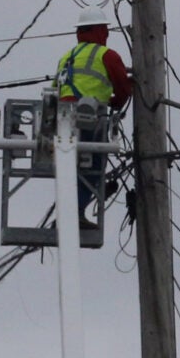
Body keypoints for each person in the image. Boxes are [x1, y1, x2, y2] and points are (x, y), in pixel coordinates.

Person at [53, 16, 132, 218]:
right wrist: (116, 103)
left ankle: (69, 211)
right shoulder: (107, 56)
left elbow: (56, 90)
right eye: (105, 30)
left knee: (70, 167)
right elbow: (123, 89)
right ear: (100, 30)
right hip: (89, 119)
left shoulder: (66, 57)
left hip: (62, 120)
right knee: (92, 165)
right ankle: (77, 212)